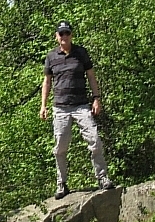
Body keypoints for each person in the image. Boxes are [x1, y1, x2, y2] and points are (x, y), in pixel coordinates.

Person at [40, 20, 115, 199]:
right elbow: (47, 82)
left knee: (95, 140)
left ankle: (102, 178)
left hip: (81, 105)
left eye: (67, 33)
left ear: (71, 35)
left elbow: (91, 76)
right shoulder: (51, 57)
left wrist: (97, 98)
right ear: (56, 36)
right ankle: (61, 184)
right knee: (60, 147)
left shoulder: (81, 53)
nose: (64, 36)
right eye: (61, 33)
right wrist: (43, 105)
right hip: (60, 108)